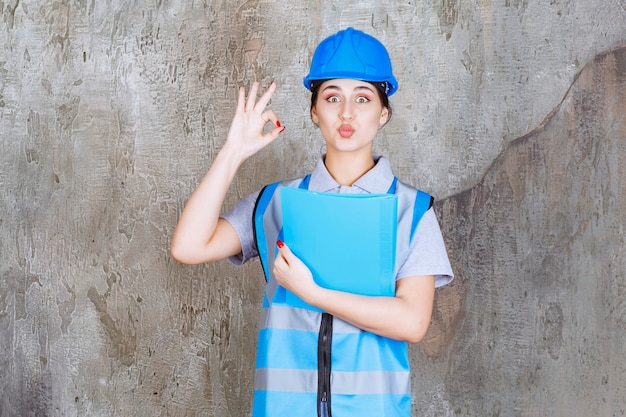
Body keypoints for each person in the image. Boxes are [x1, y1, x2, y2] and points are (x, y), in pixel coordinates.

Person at [171, 27, 453, 417]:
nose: (347, 112)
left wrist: (313, 292)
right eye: (332, 97)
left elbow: (413, 322)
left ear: (383, 112)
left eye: (363, 98)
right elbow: (188, 247)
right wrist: (233, 152)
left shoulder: (413, 211)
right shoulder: (275, 204)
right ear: (314, 111)